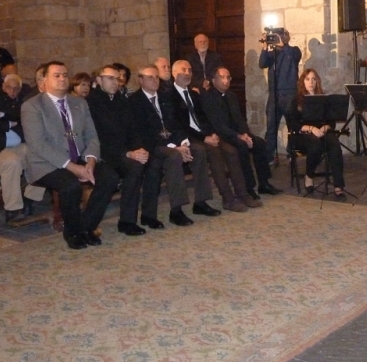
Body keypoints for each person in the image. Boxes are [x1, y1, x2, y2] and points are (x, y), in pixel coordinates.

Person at [21, 61, 120, 249]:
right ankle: (72, 232)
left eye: (65, 75)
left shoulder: (79, 103)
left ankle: (86, 227)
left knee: (109, 177)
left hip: (80, 156)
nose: (62, 79)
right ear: (45, 80)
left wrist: (90, 161)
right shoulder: (33, 106)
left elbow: (91, 135)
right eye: (56, 75)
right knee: (70, 185)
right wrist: (73, 167)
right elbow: (38, 144)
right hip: (46, 162)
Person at [128, 65, 220, 228]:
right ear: (140, 80)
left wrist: (183, 142)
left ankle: (201, 202)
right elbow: (142, 133)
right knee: (174, 156)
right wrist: (174, 147)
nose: (155, 80)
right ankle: (176, 210)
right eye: (150, 77)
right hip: (152, 145)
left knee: (198, 150)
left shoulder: (164, 97)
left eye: (157, 77)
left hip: (172, 142)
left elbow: (175, 123)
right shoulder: (134, 102)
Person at [170, 60, 262, 212]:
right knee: (215, 153)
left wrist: (211, 133)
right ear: (174, 74)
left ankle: (242, 194)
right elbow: (179, 124)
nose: (187, 73)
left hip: (204, 134)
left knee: (231, 151)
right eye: (183, 70)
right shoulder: (169, 96)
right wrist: (203, 138)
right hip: (188, 137)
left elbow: (203, 118)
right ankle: (228, 198)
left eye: (189, 70)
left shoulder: (194, 94)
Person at [201, 67, 282, 200]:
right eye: (222, 77)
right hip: (222, 135)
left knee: (259, 143)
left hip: (237, 133)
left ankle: (264, 183)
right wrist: (239, 136)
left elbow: (239, 118)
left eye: (228, 77)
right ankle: (248, 187)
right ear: (214, 80)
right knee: (241, 146)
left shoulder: (231, 96)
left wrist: (246, 134)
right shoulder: (209, 97)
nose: (226, 81)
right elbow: (218, 125)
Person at [86, 64, 149, 236]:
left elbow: (132, 129)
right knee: (110, 178)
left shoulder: (122, 100)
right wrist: (128, 153)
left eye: (118, 79)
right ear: (99, 80)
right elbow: (99, 138)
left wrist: (139, 149)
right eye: (110, 78)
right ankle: (87, 225)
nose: (116, 82)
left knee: (137, 166)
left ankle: (127, 221)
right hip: (101, 155)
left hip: (120, 154)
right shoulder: (92, 103)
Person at [0, 70, 44, 221]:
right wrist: (5, 122)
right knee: (11, 162)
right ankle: (13, 209)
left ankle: (30, 198)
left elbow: (18, 114)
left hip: (6, 145)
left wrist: (1, 118)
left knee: (40, 153)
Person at [286, 68, 347, 200]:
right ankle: (309, 175)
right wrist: (311, 129)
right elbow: (293, 124)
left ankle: (338, 185)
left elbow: (331, 120)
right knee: (315, 143)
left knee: (334, 142)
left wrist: (326, 127)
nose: (311, 82)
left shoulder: (323, 99)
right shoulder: (297, 100)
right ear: (303, 81)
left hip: (321, 133)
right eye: (307, 79)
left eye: (314, 79)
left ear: (317, 82)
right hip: (302, 135)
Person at [258, 29, 302, 164]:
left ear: (286, 37)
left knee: (293, 126)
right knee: (271, 127)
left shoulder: (294, 50)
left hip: (290, 94)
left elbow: (293, 57)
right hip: (274, 94)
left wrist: (283, 45)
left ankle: (292, 154)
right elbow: (262, 63)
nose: (277, 39)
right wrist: (265, 48)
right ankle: (269, 156)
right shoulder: (272, 54)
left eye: (280, 36)